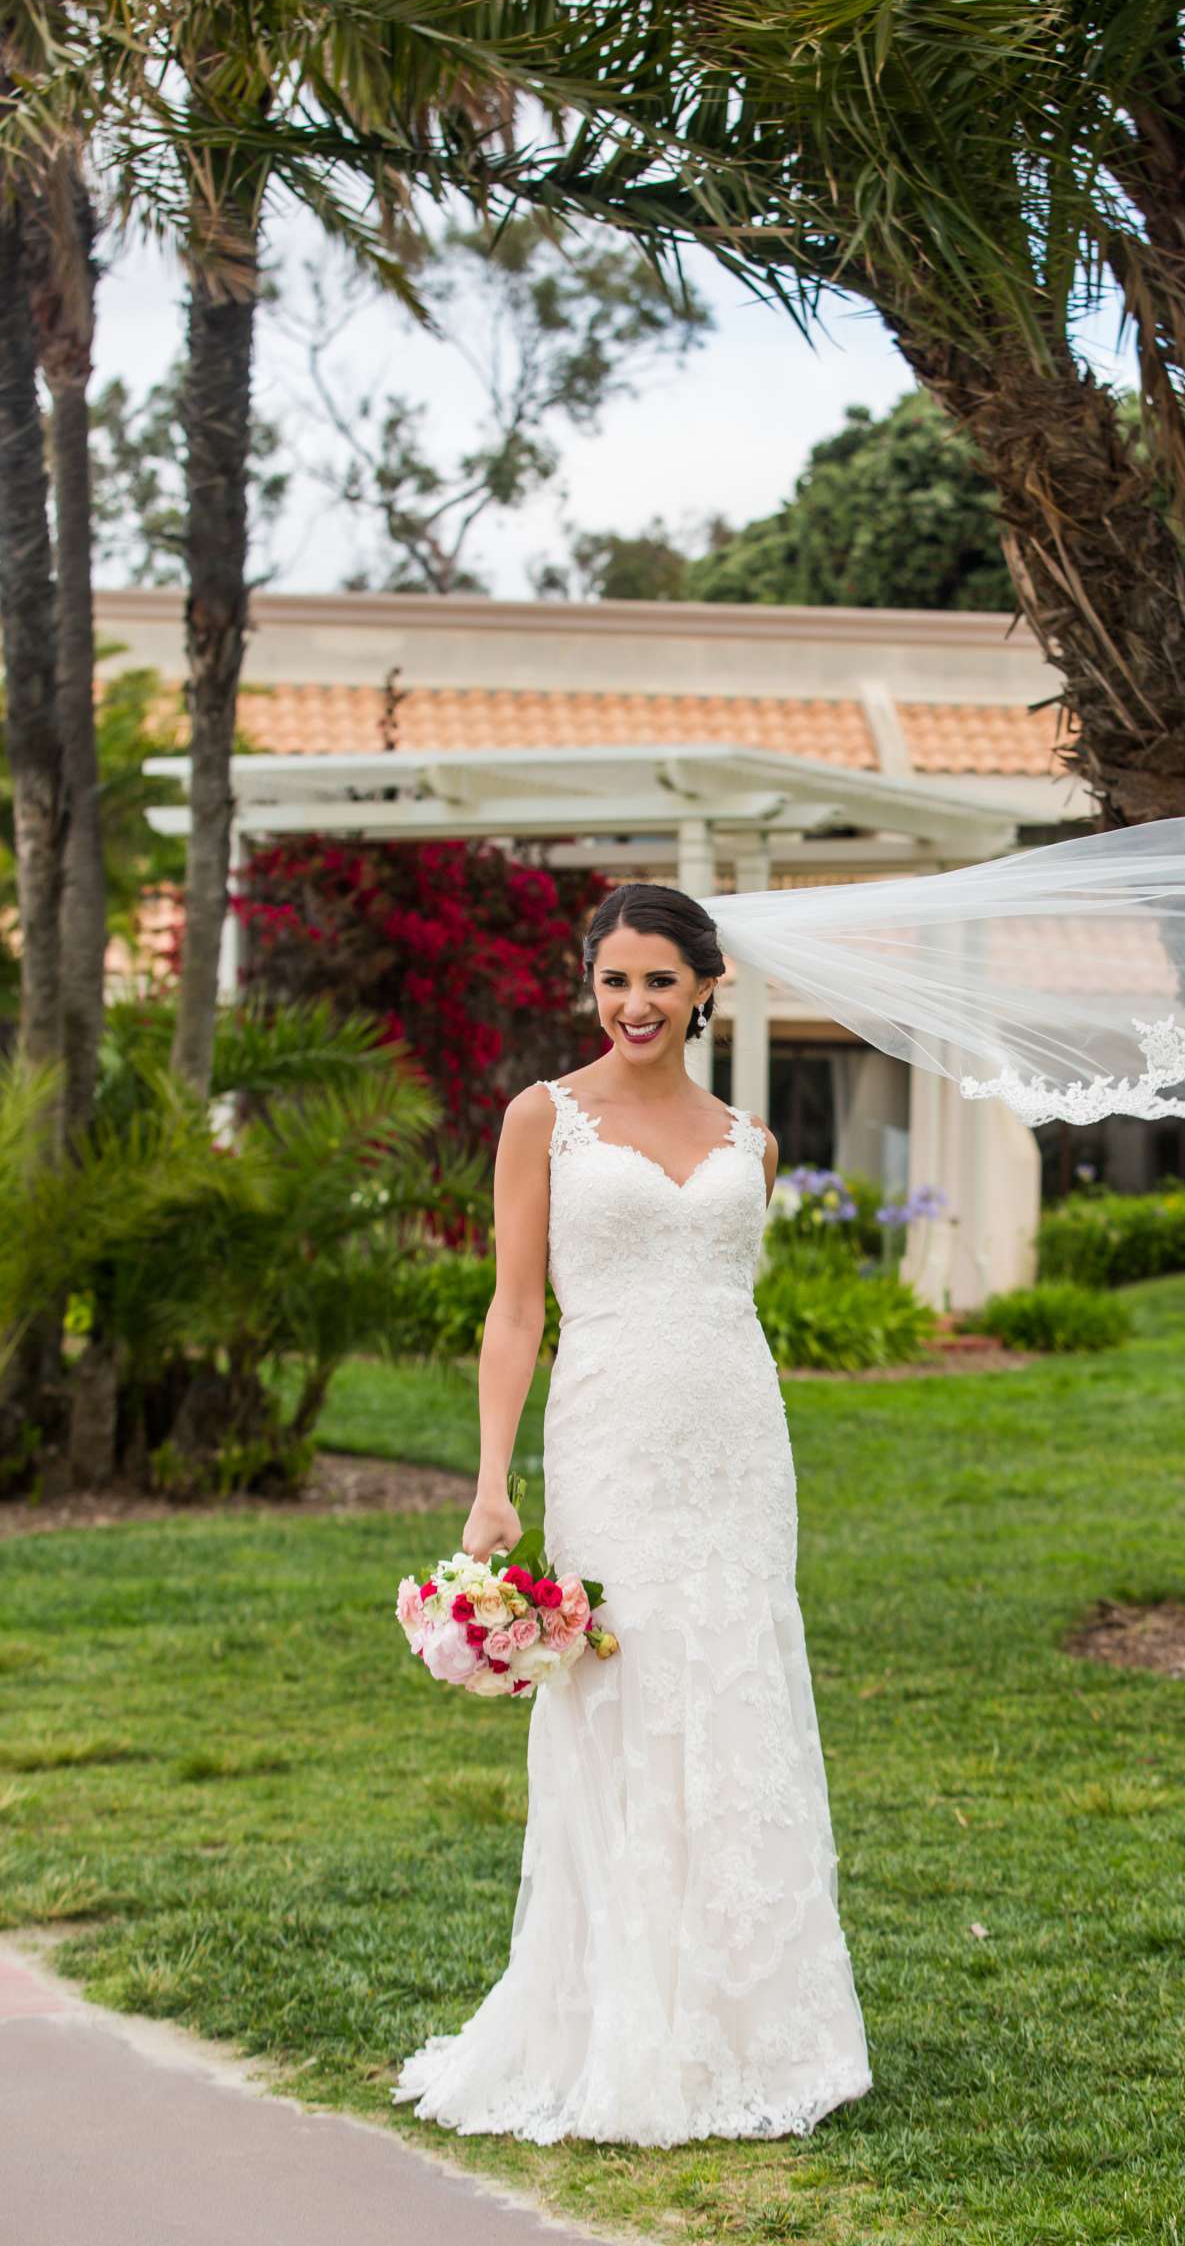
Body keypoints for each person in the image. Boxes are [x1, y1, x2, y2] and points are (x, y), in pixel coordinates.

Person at [391, 881, 873, 2147]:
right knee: (621, 1695)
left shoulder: (751, 1142)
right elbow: (513, 1313)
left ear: (706, 987)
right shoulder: (541, 1119)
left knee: (734, 1690)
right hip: (608, 1438)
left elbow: (730, 1302)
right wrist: (493, 1484)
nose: (635, 1004)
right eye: (615, 980)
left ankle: (751, 2025)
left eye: (660, 980)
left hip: (735, 1447)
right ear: (589, 986)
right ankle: (615, 2020)